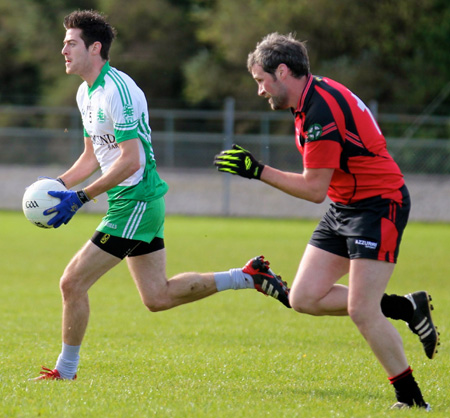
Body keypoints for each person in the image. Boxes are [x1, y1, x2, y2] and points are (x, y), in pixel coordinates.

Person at [31, 11, 290, 381]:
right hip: (133, 202)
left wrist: (81, 198)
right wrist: (56, 187)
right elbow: (92, 157)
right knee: (157, 297)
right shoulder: (85, 92)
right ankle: (247, 276)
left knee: (71, 282)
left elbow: (130, 159)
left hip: (135, 199)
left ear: (95, 48)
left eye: (71, 43)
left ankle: (66, 371)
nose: (63, 50)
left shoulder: (119, 90)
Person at [214, 32, 439, 410]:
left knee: (361, 310)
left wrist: (257, 170)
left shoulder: (321, 109)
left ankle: (413, 401)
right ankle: (405, 308)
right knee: (304, 297)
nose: (259, 91)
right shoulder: (307, 99)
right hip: (345, 207)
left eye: (260, 81)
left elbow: (313, 188)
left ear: (282, 71)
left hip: (377, 206)